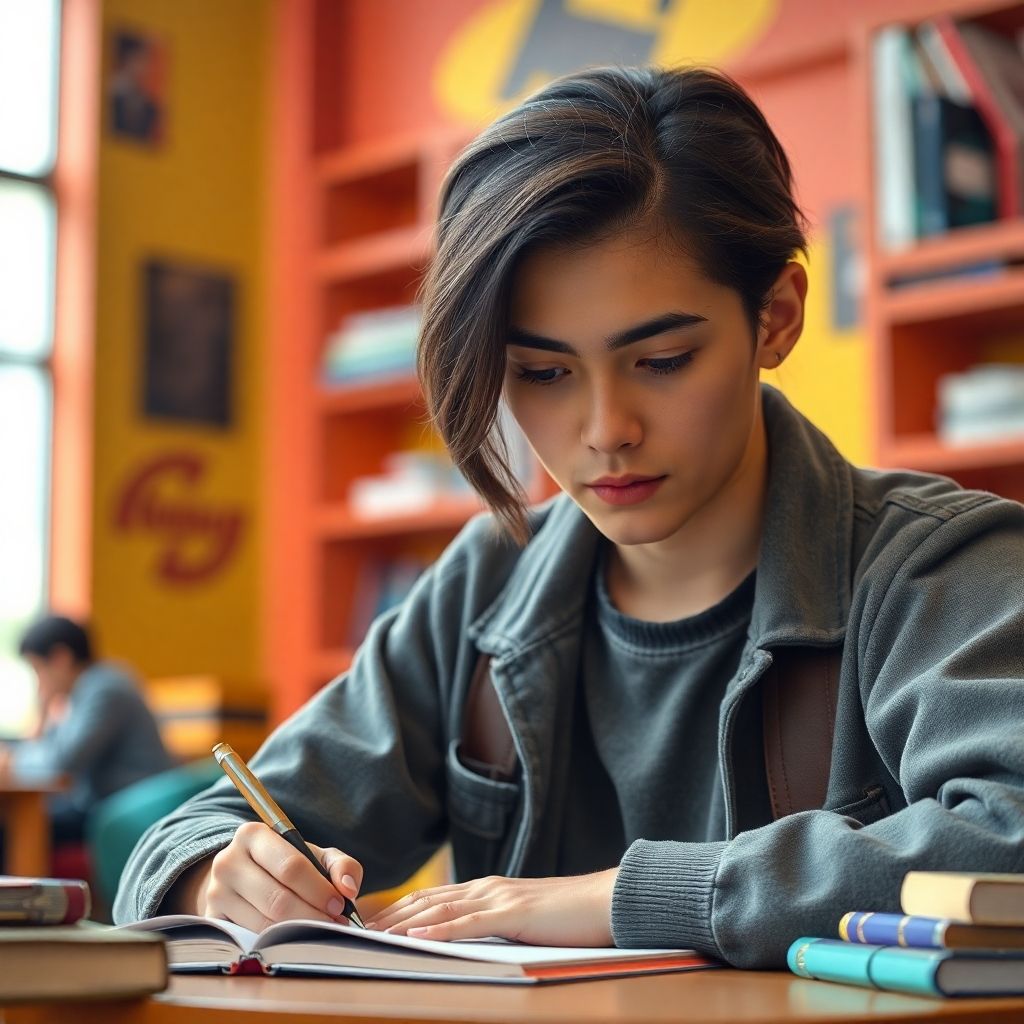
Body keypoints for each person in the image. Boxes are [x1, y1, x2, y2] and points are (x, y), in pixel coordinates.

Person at [112, 66, 1024, 967]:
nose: (604, 431)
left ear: (776, 318)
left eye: (662, 358)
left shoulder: (940, 567)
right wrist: (214, 876)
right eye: (542, 374)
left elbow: (1009, 832)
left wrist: (624, 899)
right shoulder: (489, 582)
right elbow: (202, 830)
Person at [0, 616, 174, 845]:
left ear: (61, 658)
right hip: (104, 805)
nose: (38, 682)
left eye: (37, 669)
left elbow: (61, 764)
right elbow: (51, 751)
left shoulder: (105, 689)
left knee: (10, 829)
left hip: (126, 810)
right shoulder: (85, 691)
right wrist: (42, 714)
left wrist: (12, 761)